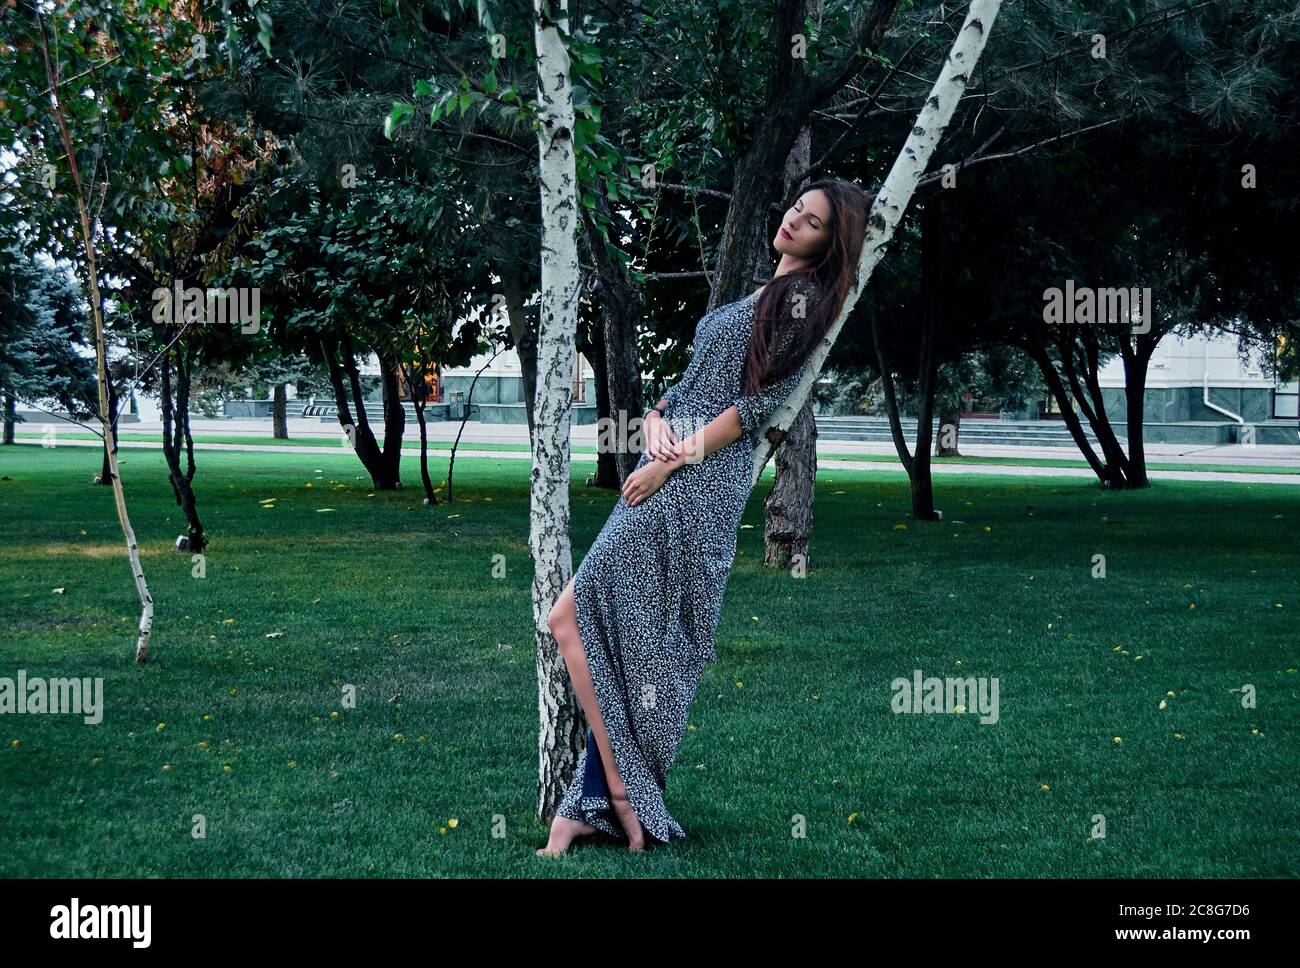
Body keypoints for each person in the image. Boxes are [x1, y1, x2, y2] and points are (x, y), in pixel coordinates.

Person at [537, 178, 870, 855]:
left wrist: (672, 458)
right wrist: (657, 419)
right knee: (604, 630)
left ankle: (615, 798)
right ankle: (593, 803)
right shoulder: (757, 293)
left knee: (571, 619)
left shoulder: (803, 300)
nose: (793, 221)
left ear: (828, 243)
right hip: (670, 464)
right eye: (795, 209)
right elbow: (694, 381)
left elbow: (755, 407)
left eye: (810, 222)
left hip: (696, 484)